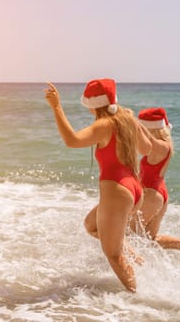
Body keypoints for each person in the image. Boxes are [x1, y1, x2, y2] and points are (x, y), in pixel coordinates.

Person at [44, 79, 152, 292]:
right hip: (134, 191)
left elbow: (72, 140)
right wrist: (135, 122)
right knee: (91, 225)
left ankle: (140, 300)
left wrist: (56, 107)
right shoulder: (125, 120)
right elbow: (147, 149)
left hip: (117, 192)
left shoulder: (105, 124)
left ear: (93, 104)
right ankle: (139, 262)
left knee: (113, 254)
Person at [130, 107, 180, 260]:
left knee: (128, 234)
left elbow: (145, 141)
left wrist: (130, 121)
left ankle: (135, 265)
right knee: (149, 239)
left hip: (152, 194)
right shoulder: (163, 144)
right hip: (158, 193)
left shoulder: (162, 146)